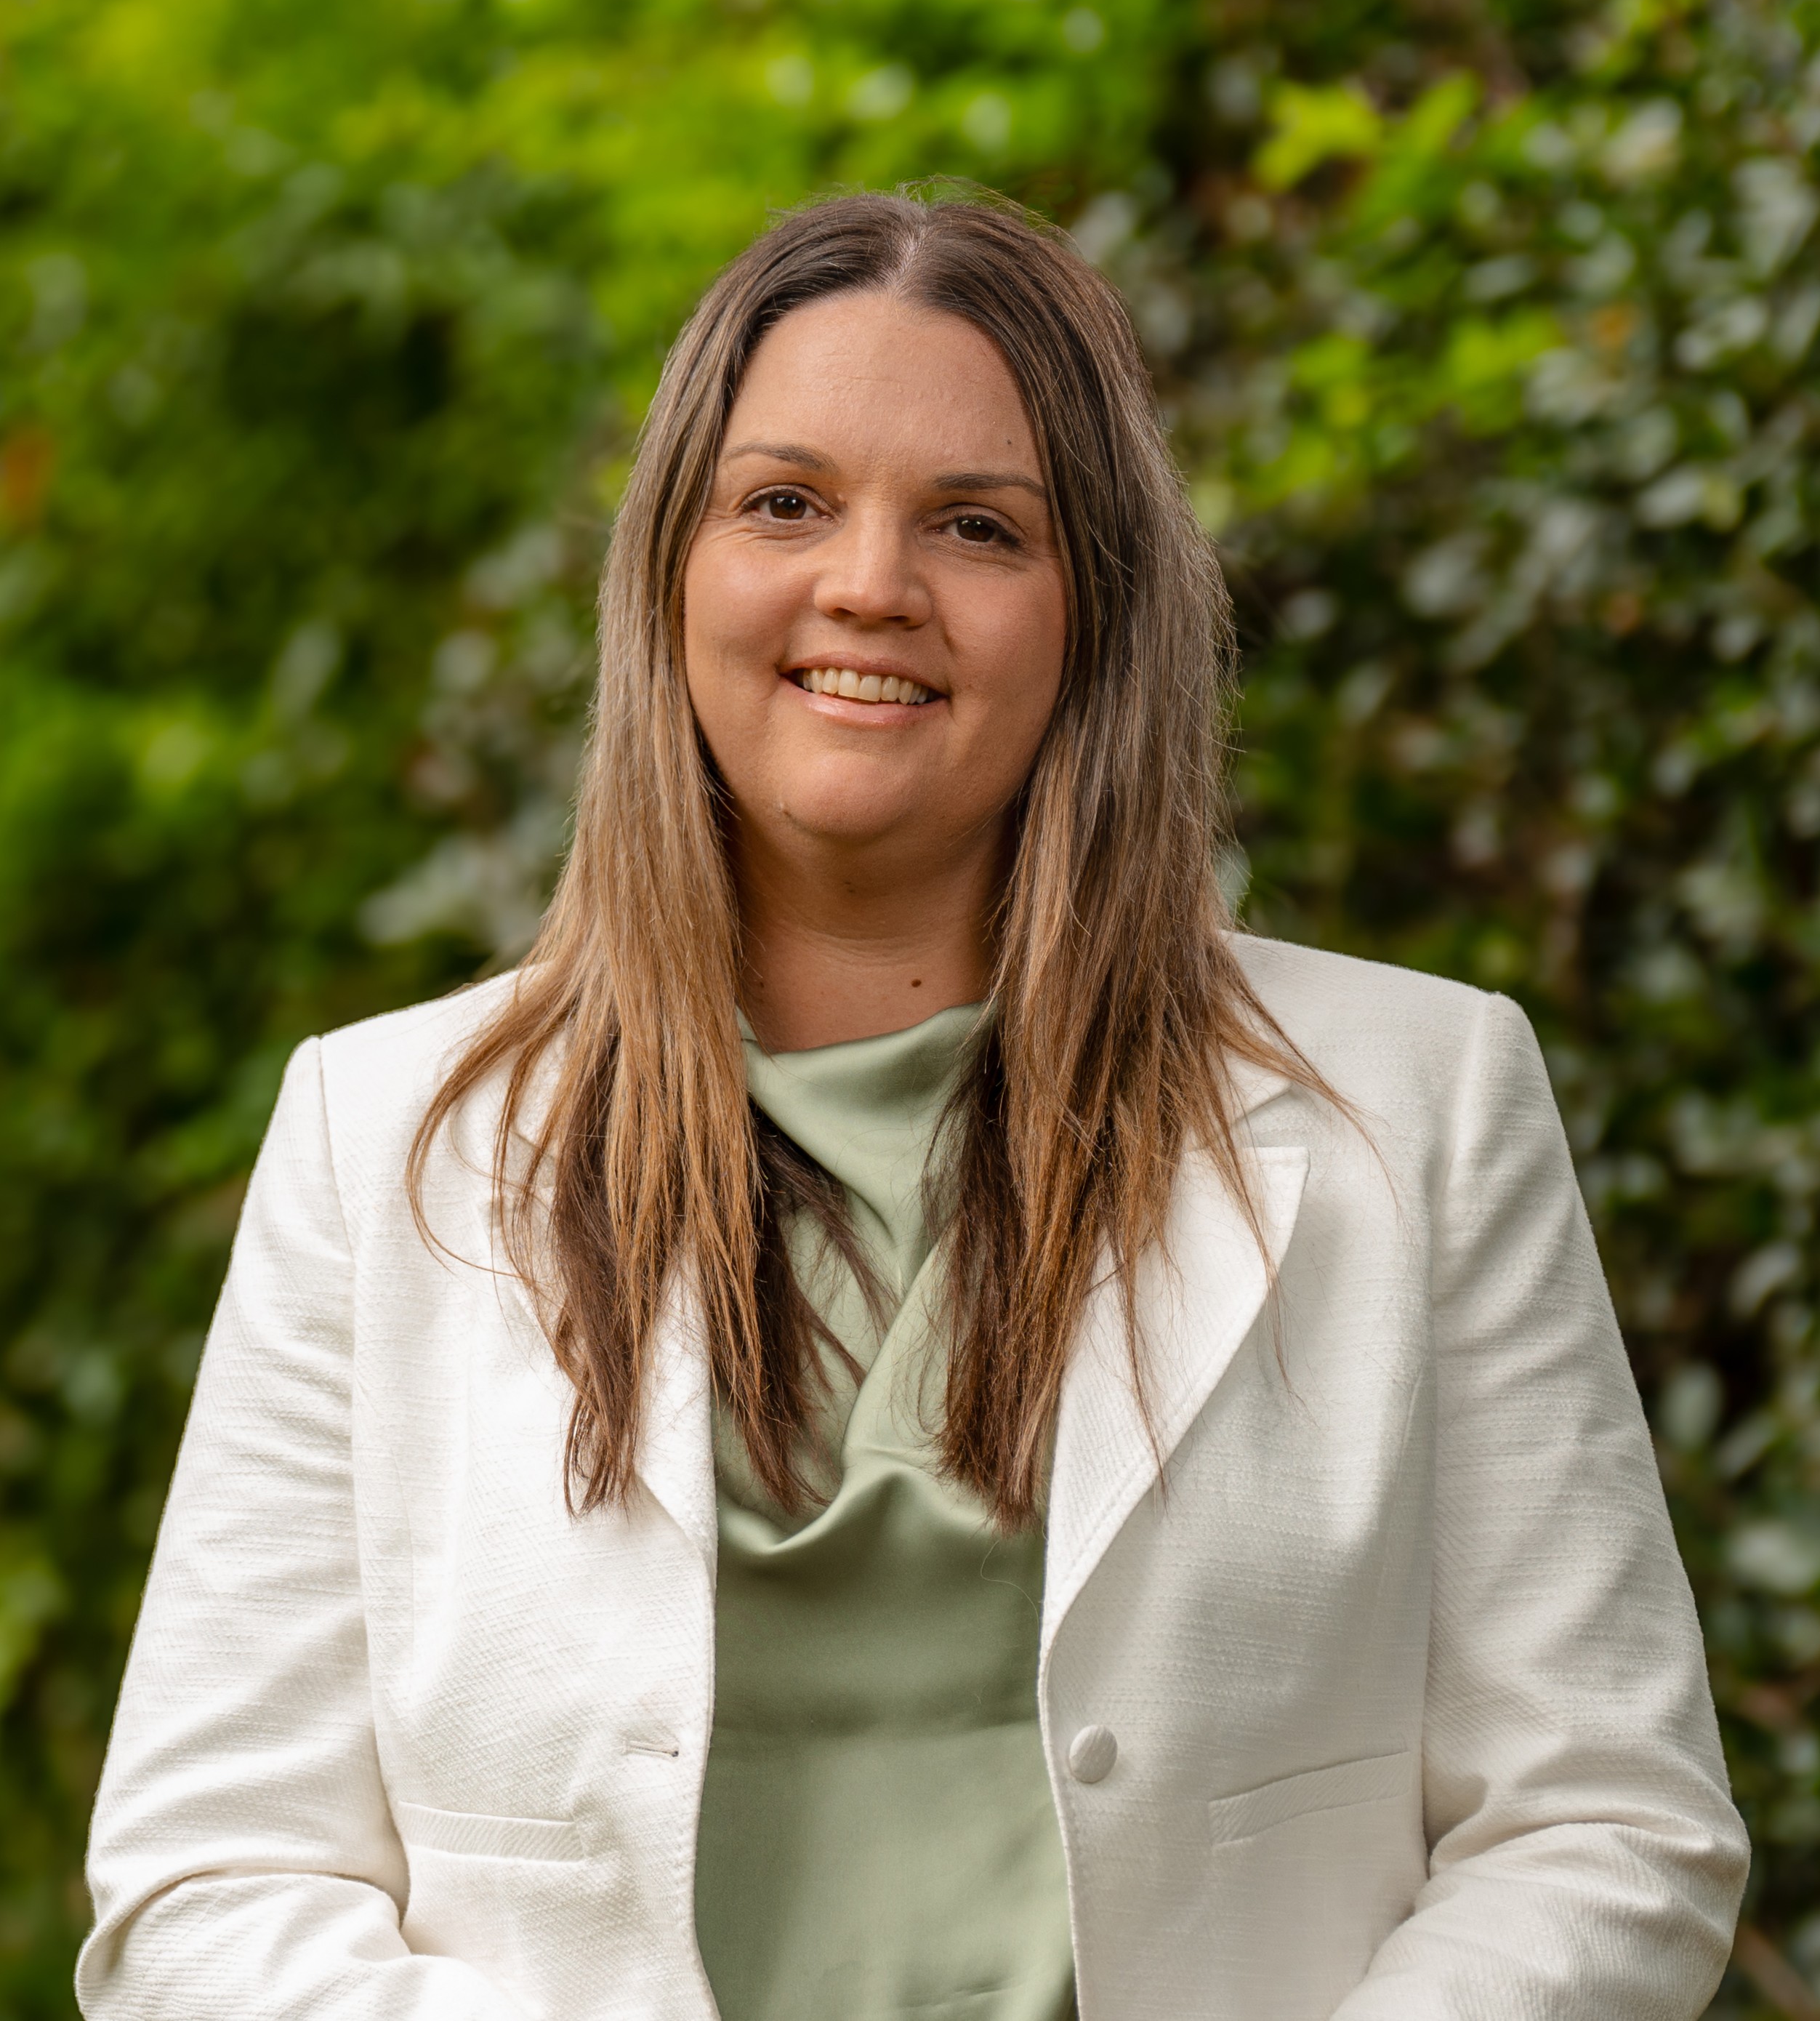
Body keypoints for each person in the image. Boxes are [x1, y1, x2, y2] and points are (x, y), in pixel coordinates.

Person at [77, 190, 1747, 2021]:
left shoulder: (1419, 1108)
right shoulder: (382, 1136)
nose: (869, 582)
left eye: (976, 525)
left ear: (1093, 613)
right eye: (784, 501)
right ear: (674, 574)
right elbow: (208, 1883)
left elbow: (1605, 1820)